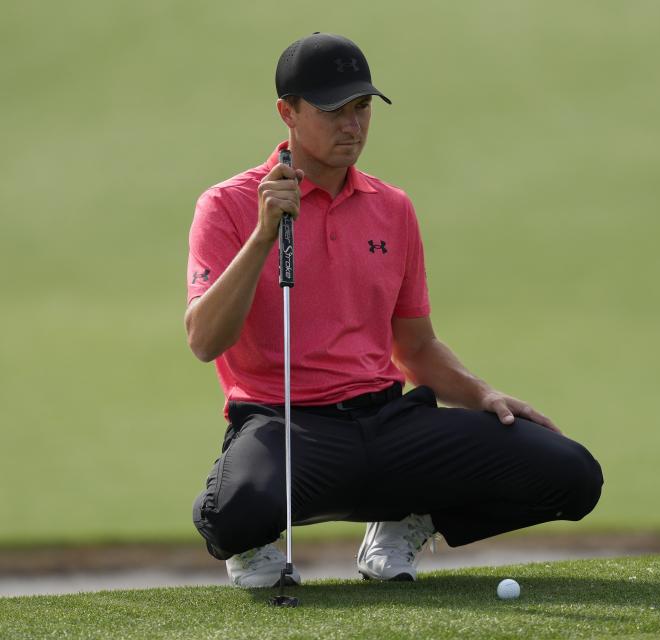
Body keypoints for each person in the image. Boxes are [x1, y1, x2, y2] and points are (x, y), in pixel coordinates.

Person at [186, 32, 603, 588]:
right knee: (231, 514)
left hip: (388, 424)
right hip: (285, 425)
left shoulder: (393, 208)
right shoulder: (228, 205)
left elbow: (416, 347)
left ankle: (408, 518)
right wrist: (264, 236)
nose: (352, 125)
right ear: (287, 112)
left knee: (571, 475)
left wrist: (483, 395)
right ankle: (256, 542)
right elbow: (204, 340)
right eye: (333, 110)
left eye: (361, 108)